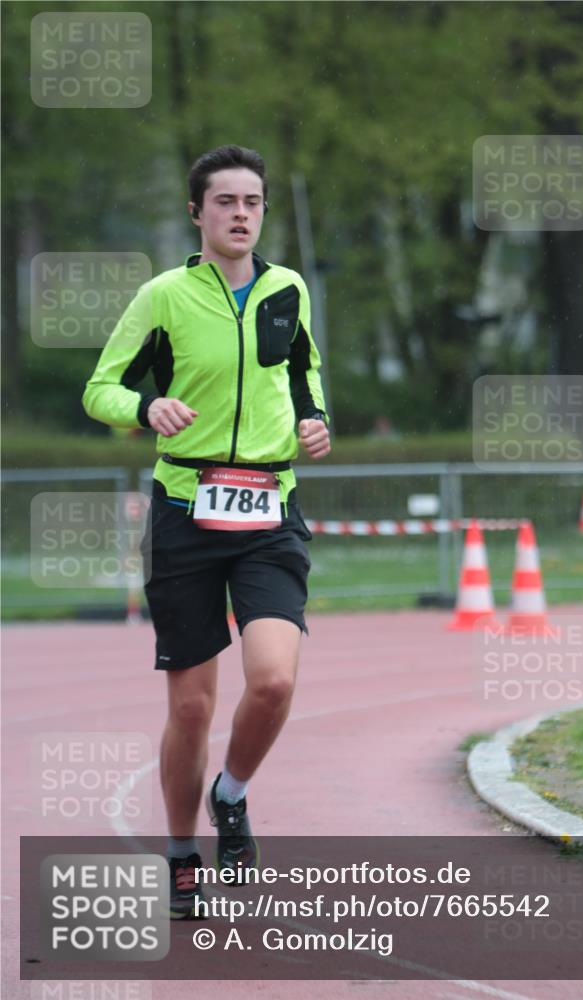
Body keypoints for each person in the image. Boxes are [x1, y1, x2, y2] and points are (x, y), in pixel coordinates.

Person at [82, 144, 330, 919]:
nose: (240, 214)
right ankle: (182, 853)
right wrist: (143, 409)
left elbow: (302, 377)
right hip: (185, 510)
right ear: (198, 213)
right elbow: (100, 388)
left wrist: (315, 421)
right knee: (190, 708)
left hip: (266, 511)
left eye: (252, 202)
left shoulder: (288, 290)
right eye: (225, 201)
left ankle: (233, 794)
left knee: (274, 680)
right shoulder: (163, 296)